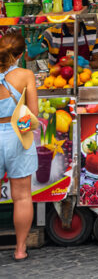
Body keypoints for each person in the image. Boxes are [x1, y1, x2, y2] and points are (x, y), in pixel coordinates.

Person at [0, 32, 39, 260]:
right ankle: (20, 249)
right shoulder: (25, 75)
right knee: (22, 196)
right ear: (21, 54)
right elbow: (32, 113)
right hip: (16, 135)